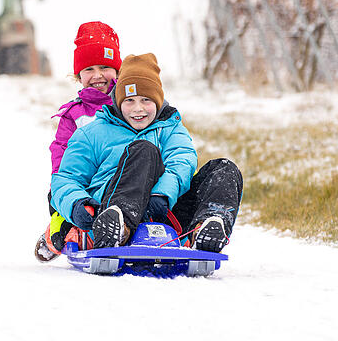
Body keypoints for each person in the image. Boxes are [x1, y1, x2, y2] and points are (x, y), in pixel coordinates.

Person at [51, 53, 243, 252]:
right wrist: (76, 204)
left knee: (224, 169)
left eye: (146, 100)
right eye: (129, 101)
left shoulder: (170, 128)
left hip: (164, 212)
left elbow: (182, 162)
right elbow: (65, 178)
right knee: (144, 150)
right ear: (117, 102)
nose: (138, 109)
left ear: (159, 101)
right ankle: (118, 229)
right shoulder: (93, 133)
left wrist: (162, 194)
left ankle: (204, 229)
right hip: (108, 212)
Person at [35, 21, 122, 262]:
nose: (97, 76)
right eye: (89, 69)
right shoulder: (74, 115)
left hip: (119, 182)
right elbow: (60, 154)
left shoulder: (130, 108)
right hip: (82, 184)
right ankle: (59, 229)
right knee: (60, 196)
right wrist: (62, 186)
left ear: (117, 70)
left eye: (105, 67)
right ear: (78, 75)